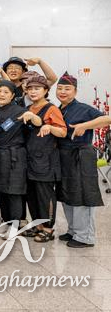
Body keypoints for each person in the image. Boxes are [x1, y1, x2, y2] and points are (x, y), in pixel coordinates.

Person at [56, 72, 109, 248]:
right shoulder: (59, 109)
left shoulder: (83, 108)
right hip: (64, 156)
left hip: (81, 155)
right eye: (60, 88)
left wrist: (84, 126)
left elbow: (107, 119)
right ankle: (73, 230)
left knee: (81, 194)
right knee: (67, 193)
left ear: (75, 91)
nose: (63, 92)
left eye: (67, 89)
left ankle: (85, 236)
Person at [0, 80, 37, 238]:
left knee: (14, 193)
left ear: (13, 95)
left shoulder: (20, 111)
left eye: (6, 92)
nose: (2, 94)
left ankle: (15, 227)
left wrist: (32, 117)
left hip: (14, 157)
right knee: (1, 192)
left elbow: (32, 128)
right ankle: (6, 224)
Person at [23, 74, 67, 243]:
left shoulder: (51, 109)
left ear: (46, 90)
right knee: (32, 195)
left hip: (46, 161)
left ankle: (48, 228)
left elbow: (62, 132)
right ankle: (38, 225)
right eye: (30, 88)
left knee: (45, 196)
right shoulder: (28, 108)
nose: (33, 91)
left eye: (37, 88)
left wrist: (48, 126)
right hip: (30, 159)